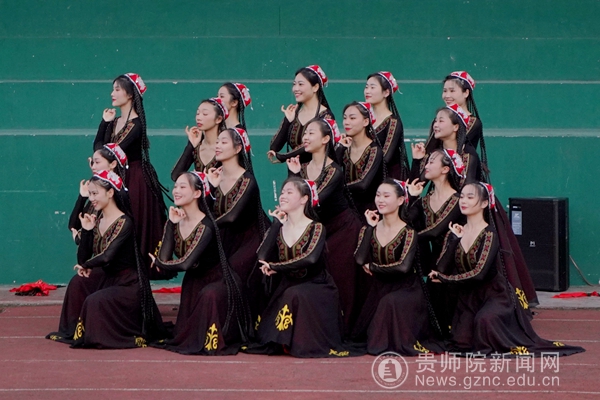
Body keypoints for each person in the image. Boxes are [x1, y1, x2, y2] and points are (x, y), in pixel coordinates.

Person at [428, 182, 584, 356]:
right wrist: (454, 240)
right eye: (462, 196)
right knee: (461, 342)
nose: (463, 201)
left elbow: (479, 274)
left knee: (485, 322)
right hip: (467, 298)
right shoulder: (455, 232)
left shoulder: (489, 235)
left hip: (494, 295)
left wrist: (446, 279)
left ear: (484, 203)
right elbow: (441, 267)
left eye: (470, 197)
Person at [47, 170, 164, 348]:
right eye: (90, 194)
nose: (91, 198)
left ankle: (102, 334)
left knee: (95, 301)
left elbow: (108, 255)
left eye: (95, 193)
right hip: (108, 278)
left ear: (110, 193)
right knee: (77, 283)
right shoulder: (97, 219)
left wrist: (86, 265)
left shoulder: (125, 222)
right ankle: (73, 330)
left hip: (128, 284)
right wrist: (87, 231)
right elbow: (83, 257)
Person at [246, 178, 352, 357]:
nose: (283, 196)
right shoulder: (279, 228)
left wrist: (277, 267)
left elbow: (310, 258)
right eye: (282, 192)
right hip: (287, 286)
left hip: (316, 286)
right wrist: (276, 224)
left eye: (289, 192)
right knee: (280, 292)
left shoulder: (316, 228)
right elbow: (262, 256)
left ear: (304, 199)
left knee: (294, 294)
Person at [150, 172, 250, 354]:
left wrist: (160, 263)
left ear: (197, 193)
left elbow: (185, 264)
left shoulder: (206, 226)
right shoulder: (175, 221)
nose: (176, 191)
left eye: (182, 187)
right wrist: (171, 224)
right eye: (175, 186)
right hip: (193, 283)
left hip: (219, 281)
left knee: (208, 295)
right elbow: (164, 258)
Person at [286, 118, 363, 332]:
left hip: (343, 230)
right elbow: (293, 198)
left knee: (341, 280)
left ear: (325, 139)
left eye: (311, 133)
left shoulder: (334, 171)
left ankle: (340, 330)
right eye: (305, 133)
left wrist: (295, 177)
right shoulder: (301, 168)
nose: (305, 137)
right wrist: (293, 174)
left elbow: (312, 202)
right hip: (319, 231)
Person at [93, 73, 171, 280]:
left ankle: (135, 274)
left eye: (117, 89)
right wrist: (104, 123)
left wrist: (104, 137)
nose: (113, 93)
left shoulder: (136, 125)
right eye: (113, 89)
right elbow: (98, 150)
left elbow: (110, 153)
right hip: (116, 177)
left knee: (134, 223)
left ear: (130, 94)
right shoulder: (113, 122)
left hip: (135, 179)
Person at [353, 179, 444, 355]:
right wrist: (370, 228)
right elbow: (359, 259)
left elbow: (403, 267)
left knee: (390, 302)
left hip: (407, 289)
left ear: (401, 200)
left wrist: (373, 267)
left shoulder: (408, 232)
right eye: (378, 195)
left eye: (386, 196)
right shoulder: (368, 228)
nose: (380, 200)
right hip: (379, 288)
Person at [206, 127, 270, 316]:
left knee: (232, 274)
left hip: (251, 240)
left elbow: (232, 216)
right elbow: (204, 210)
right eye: (217, 141)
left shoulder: (247, 180)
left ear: (237, 149)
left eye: (224, 142)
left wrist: (206, 227)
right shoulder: (213, 176)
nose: (218, 145)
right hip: (223, 238)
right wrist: (210, 188)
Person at [267, 65, 333, 163]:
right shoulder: (295, 113)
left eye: (301, 84)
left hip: (317, 171)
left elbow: (307, 147)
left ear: (315, 87)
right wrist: (287, 121)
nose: (295, 89)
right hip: (293, 171)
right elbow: (274, 147)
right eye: (294, 84)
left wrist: (283, 157)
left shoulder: (326, 117)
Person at [69, 143, 127, 245]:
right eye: (92, 163)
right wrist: (82, 197)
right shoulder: (95, 194)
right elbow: (74, 226)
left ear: (112, 164)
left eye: (97, 162)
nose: (93, 167)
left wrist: (81, 239)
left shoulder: (116, 194)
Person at [411, 104, 480, 187]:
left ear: (455, 127)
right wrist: (417, 160)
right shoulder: (434, 153)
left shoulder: (468, 155)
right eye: (435, 121)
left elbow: (467, 190)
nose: (435, 125)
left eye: (441, 121)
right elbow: (415, 187)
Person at [339, 101, 384, 217]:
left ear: (365, 122)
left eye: (352, 118)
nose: (346, 122)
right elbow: (333, 170)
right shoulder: (344, 149)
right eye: (345, 118)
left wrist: (339, 188)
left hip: (369, 211)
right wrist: (340, 149)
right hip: (346, 208)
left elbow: (363, 184)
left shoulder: (374, 150)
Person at [364, 71, 409, 180]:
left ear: (386, 92)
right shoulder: (364, 119)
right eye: (366, 87)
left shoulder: (393, 122)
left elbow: (386, 157)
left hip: (389, 179)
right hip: (367, 177)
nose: (367, 91)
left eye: (372, 87)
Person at [170, 97, 228, 181]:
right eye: (197, 113)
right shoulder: (197, 145)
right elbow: (175, 176)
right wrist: (191, 145)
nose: (199, 118)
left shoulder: (227, 147)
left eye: (205, 114)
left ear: (218, 119)